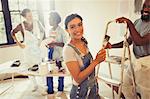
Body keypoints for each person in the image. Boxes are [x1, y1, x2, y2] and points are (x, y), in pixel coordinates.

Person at [106, 0, 150, 98]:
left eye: (149, 7)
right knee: (125, 86)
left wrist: (129, 23)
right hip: (136, 61)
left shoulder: (133, 23)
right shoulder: (137, 22)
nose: (146, 9)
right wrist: (111, 46)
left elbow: (139, 41)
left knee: (145, 93)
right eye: (144, 6)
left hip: (147, 64)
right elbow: (129, 41)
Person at [63, 14, 106, 99]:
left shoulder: (83, 42)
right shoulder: (68, 50)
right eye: (72, 27)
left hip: (92, 89)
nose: (77, 29)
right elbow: (78, 78)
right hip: (80, 94)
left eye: (79, 25)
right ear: (67, 30)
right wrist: (96, 61)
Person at [11, 8, 46, 94]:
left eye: (31, 15)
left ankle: (43, 85)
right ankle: (34, 84)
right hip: (27, 49)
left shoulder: (36, 22)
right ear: (24, 17)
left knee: (40, 66)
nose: (31, 17)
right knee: (30, 67)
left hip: (36, 48)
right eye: (29, 16)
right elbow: (12, 32)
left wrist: (40, 41)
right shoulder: (21, 25)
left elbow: (43, 31)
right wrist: (19, 44)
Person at [45, 11, 68, 99]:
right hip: (50, 53)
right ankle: (50, 89)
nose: (49, 20)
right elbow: (49, 40)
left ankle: (60, 89)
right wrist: (48, 44)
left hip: (59, 55)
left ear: (55, 20)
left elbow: (65, 44)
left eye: (50, 18)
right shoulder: (50, 30)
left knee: (60, 72)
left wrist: (55, 44)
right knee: (49, 72)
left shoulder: (61, 31)